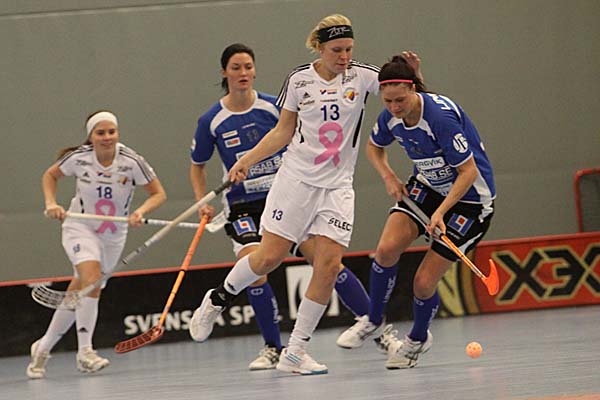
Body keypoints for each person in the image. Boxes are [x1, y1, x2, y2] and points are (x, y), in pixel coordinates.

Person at [189, 43, 370, 370]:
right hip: (243, 204)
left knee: (328, 264)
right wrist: (204, 199)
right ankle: (267, 341)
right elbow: (197, 165)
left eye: (248, 66)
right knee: (261, 264)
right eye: (236, 67)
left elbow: (289, 135)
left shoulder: (274, 105)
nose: (243, 73)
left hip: (293, 192)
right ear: (224, 72)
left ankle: (369, 329)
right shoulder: (212, 120)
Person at [338, 54, 496, 369]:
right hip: (427, 188)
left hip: (470, 201)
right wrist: (389, 176)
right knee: (386, 250)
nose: (394, 107)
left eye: (400, 100)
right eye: (388, 101)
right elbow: (373, 147)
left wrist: (440, 213)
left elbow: (467, 172)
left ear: (413, 89)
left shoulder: (440, 119)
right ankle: (373, 319)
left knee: (423, 283)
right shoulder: (390, 117)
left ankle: (417, 340)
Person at [27, 110, 167, 379]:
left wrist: (141, 212)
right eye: (100, 133)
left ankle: (43, 347)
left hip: (113, 235)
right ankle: (85, 353)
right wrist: (51, 203)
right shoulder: (79, 158)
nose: (107, 137)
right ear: (91, 136)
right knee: (91, 280)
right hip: (79, 226)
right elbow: (50, 176)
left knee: (82, 290)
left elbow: (158, 193)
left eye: (111, 132)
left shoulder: (131, 161)